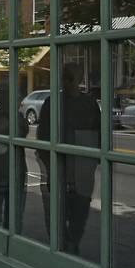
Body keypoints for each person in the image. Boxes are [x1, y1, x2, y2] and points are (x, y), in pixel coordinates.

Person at [37, 62, 100, 255]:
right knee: (56, 210)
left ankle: (72, 245)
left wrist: (92, 163)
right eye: (67, 78)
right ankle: (61, 246)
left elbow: (98, 135)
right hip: (60, 167)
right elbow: (43, 136)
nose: (69, 82)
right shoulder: (52, 103)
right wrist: (49, 165)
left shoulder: (89, 103)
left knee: (80, 210)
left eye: (73, 78)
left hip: (81, 167)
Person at [0, 82, 28, 230]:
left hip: (15, 172)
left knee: (13, 218)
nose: (19, 101)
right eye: (17, 97)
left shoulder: (19, 119)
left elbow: (21, 133)